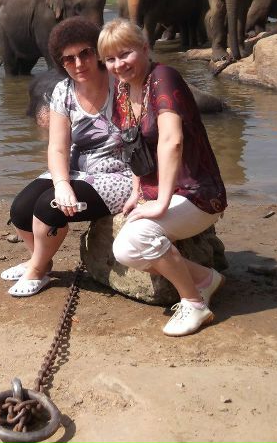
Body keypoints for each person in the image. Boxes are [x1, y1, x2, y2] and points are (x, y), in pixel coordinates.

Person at [97, 19, 227, 336]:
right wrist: (136, 191)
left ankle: (194, 303)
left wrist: (161, 203)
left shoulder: (163, 78)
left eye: (125, 54)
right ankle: (205, 279)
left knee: (137, 238)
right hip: (160, 190)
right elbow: (133, 146)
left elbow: (172, 141)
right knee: (125, 251)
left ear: (145, 48)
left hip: (196, 192)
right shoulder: (124, 90)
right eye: (110, 59)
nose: (118, 65)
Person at [5, 17, 132, 297]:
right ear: (60, 63)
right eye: (69, 59)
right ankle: (41, 260)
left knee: (48, 208)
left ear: (98, 52)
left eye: (85, 53)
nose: (78, 64)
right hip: (78, 168)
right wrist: (62, 183)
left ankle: (36, 270)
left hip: (118, 175)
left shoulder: (122, 86)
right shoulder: (63, 91)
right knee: (21, 209)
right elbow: (58, 148)